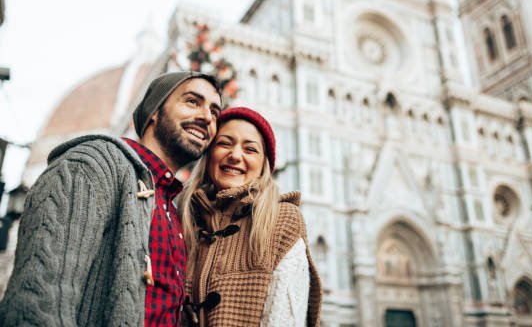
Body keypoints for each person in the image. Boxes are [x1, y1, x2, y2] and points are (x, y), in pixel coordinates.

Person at [0, 71, 222, 326]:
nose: (207, 117)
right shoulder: (92, 164)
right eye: (192, 101)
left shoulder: (172, 209)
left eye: (215, 112)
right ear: (154, 113)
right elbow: (38, 300)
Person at [179, 107, 322, 326]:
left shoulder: (283, 220)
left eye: (250, 149)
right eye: (224, 143)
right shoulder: (184, 220)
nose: (235, 156)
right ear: (208, 156)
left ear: (264, 164)